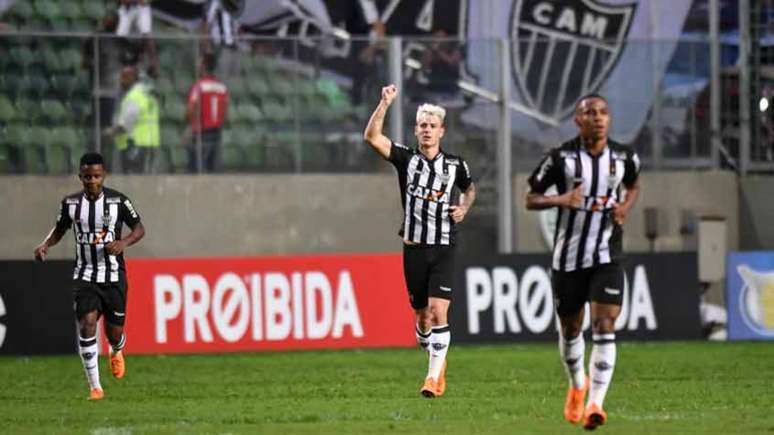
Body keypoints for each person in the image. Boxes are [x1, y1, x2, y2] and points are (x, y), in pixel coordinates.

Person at [525, 94, 641, 429]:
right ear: (578, 120)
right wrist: (562, 199)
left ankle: (596, 404)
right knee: (571, 328)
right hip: (568, 258)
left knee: (605, 325)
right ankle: (578, 384)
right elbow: (530, 197)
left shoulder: (624, 157)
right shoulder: (560, 158)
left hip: (607, 256)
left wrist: (625, 207)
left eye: (604, 112)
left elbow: (634, 185)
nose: (598, 118)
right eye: (590, 113)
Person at [364, 84, 476, 398]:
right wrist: (384, 103)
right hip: (413, 247)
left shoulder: (456, 165)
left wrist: (463, 208)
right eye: (422, 125)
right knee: (422, 315)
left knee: (440, 311)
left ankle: (433, 378)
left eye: (432, 126)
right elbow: (372, 137)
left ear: (442, 131)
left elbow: (470, 189)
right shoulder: (406, 159)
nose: (427, 130)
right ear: (416, 131)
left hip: (443, 247)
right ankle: (432, 353)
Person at [34, 152, 145, 400]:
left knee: (113, 333)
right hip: (85, 276)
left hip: (114, 276)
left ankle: (117, 350)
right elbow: (60, 228)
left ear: (103, 175)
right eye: (86, 177)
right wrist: (45, 245)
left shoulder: (118, 202)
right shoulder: (71, 204)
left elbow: (139, 228)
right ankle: (95, 387)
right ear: (80, 177)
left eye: (96, 176)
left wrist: (123, 242)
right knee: (87, 324)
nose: (92, 181)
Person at [104, 65, 161, 173]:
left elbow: (126, 124)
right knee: (145, 180)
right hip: (150, 144)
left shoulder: (134, 96)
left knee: (133, 180)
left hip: (135, 145)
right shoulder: (148, 95)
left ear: (133, 79)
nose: (121, 81)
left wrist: (110, 132)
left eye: (124, 77)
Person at [185, 51, 229, 173]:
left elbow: (190, 109)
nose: (197, 64)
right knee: (213, 169)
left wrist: (189, 127)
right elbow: (226, 112)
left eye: (199, 62)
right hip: (216, 132)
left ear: (203, 65)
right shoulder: (222, 87)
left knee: (196, 169)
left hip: (201, 133)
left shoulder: (199, 86)